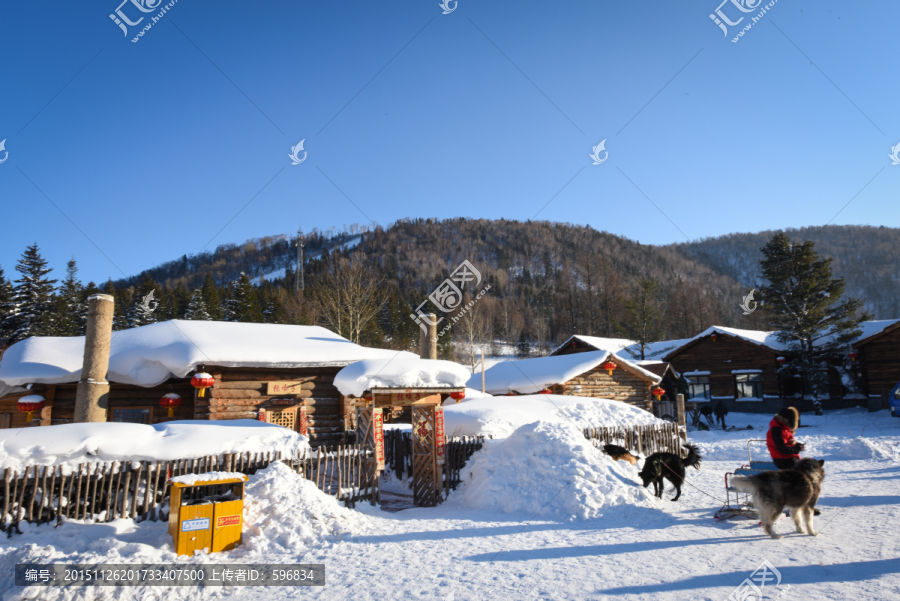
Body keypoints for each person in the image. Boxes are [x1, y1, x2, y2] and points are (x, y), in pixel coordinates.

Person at [766, 406, 821, 515]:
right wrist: (797, 448)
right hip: (783, 459)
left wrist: (798, 445)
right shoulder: (776, 429)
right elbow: (782, 448)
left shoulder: (783, 427)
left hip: (790, 458)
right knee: (803, 479)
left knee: (807, 474)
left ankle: (806, 504)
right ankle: (803, 505)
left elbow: (789, 443)